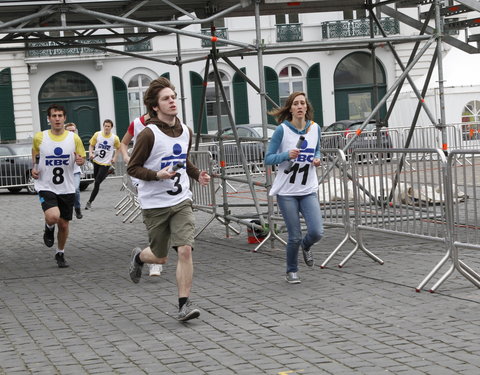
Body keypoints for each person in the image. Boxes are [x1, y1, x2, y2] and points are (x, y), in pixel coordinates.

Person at [127, 77, 210, 322]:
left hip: (181, 200)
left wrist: (197, 174)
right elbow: (133, 168)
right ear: (155, 106)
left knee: (185, 250)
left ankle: (184, 305)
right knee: (160, 256)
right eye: (166, 98)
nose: (172, 101)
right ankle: (139, 256)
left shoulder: (186, 131)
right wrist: (156, 175)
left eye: (173, 97)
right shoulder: (148, 134)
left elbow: (183, 160)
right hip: (155, 204)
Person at [264, 91, 323, 284]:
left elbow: (316, 148)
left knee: (316, 232)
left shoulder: (315, 128)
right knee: (294, 235)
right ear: (290, 108)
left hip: (308, 189)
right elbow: (268, 158)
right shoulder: (282, 130)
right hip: (287, 192)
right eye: (295, 104)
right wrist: (286, 155)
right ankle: (291, 270)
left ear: (307, 107)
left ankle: (307, 247)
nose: (299, 107)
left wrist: (317, 158)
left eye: (302, 103)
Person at [31, 104, 86, 268]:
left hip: (67, 187)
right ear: (48, 119)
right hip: (46, 185)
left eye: (60, 116)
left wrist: (80, 161)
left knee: (63, 224)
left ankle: (60, 252)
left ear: (64, 118)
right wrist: (33, 169)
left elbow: (82, 157)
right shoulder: (40, 137)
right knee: (53, 217)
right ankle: (48, 227)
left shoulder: (73, 138)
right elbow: (35, 154)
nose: (57, 119)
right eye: (53, 116)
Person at [120, 113, 163, 277]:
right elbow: (124, 143)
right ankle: (154, 261)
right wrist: (126, 156)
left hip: (164, 175)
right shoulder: (137, 123)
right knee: (154, 217)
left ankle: (150, 255)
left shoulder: (169, 121)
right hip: (142, 176)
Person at [84, 119, 120, 210]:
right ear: (103, 126)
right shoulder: (98, 134)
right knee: (96, 180)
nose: (106, 128)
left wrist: (115, 158)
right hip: (96, 161)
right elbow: (91, 145)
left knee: (96, 183)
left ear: (111, 127)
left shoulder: (114, 138)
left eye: (108, 126)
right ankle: (109, 172)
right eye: (105, 126)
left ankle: (89, 202)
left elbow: (118, 148)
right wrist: (91, 153)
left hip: (106, 163)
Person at [64, 122, 83, 219]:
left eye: (73, 130)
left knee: (76, 189)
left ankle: (77, 208)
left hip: (75, 170)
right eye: (69, 130)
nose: (72, 132)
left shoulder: (77, 141)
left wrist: (79, 159)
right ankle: (67, 210)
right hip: (64, 172)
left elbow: (82, 158)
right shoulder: (62, 142)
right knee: (66, 192)